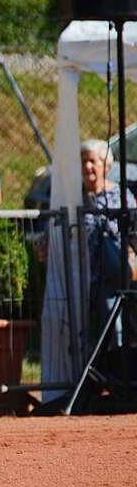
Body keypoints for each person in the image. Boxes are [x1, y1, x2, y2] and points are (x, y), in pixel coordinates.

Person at [80, 139, 137, 346]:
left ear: (106, 165)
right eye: (84, 161)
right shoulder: (74, 196)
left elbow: (133, 232)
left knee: (113, 327)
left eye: (92, 161)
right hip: (80, 274)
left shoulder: (121, 196)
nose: (87, 166)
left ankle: (114, 371)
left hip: (110, 274)